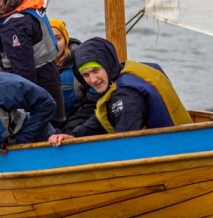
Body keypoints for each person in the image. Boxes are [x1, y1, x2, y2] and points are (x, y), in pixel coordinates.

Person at [48, 37, 192, 146]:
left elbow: (124, 143)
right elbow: (102, 117)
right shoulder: (124, 73)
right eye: (86, 75)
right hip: (183, 140)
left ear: (107, 64)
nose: (92, 80)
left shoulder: (126, 95)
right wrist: (73, 135)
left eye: (96, 71)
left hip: (170, 149)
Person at [49, 19, 85, 122]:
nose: (54, 44)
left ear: (65, 40)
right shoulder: (35, 65)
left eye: (58, 38)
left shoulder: (79, 61)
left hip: (78, 119)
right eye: (48, 38)